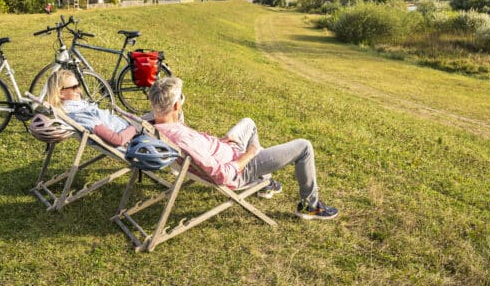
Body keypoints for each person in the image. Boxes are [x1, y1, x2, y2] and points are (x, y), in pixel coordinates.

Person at [148, 77, 339, 221]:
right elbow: (222, 174)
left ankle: (264, 181)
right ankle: (309, 206)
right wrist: (251, 153)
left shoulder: (159, 127)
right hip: (239, 169)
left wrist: (220, 142)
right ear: (176, 105)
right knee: (304, 146)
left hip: (226, 150)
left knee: (248, 123)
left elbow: (200, 148)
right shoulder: (181, 139)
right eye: (181, 97)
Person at [46, 69, 139, 146]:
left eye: (78, 85)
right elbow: (117, 140)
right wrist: (136, 127)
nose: (79, 90)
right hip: (135, 138)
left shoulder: (75, 108)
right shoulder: (79, 115)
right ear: (60, 93)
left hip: (129, 127)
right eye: (74, 87)